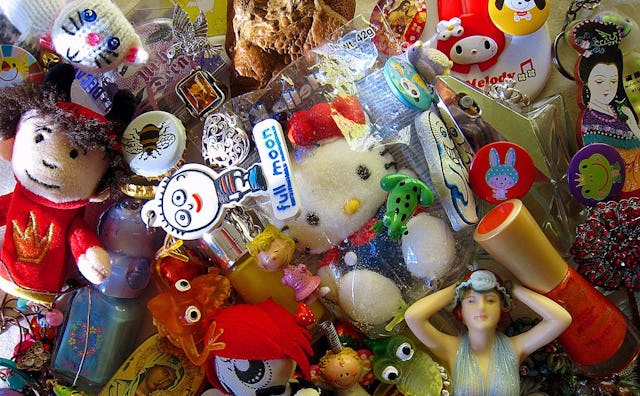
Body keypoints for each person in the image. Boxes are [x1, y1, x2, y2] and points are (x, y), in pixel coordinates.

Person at [404, 269, 571, 396]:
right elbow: (413, 316)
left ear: (501, 308)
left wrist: (512, 288)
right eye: (471, 301)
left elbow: (560, 319)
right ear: (461, 312)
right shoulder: (450, 349)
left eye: (491, 300)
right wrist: (457, 288)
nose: (481, 307)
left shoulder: (514, 349)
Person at [575, 19, 640, 197]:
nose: (607, 88)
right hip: (625, 193)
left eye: (613, 81)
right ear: (586, 83)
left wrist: (633, 123)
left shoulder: (621, 111)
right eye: (599, 81)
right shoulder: (589, 122)